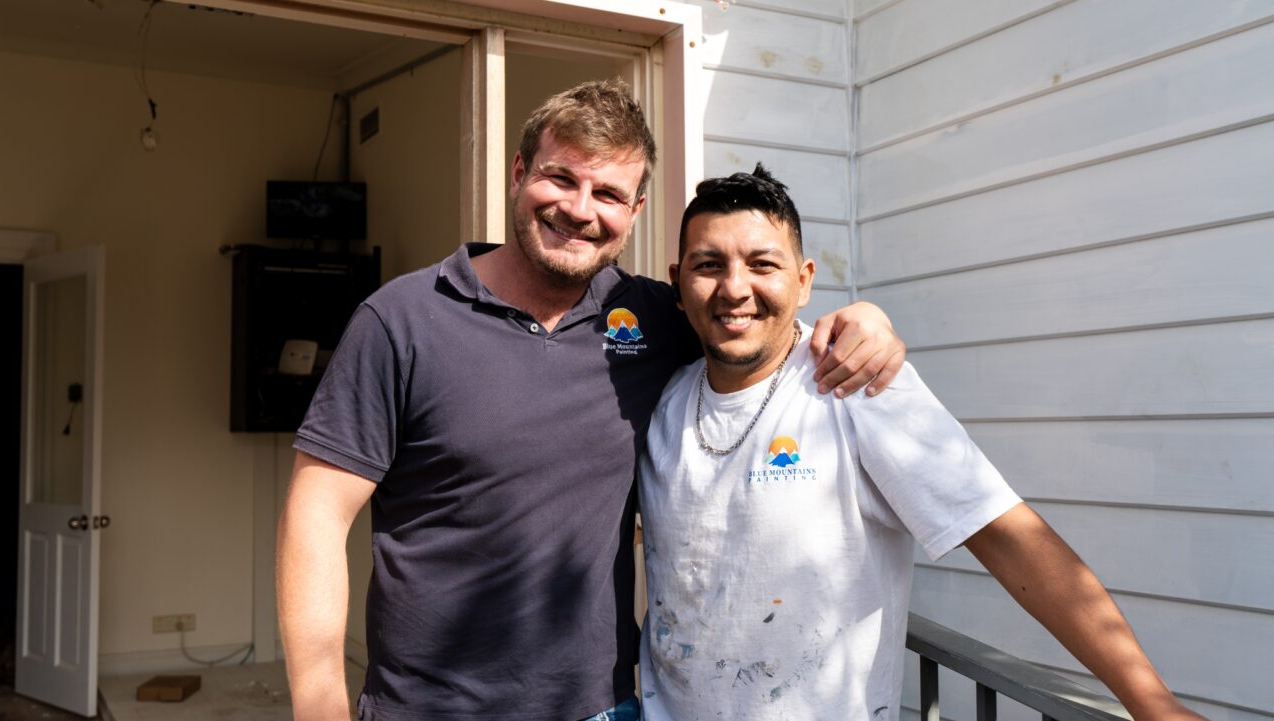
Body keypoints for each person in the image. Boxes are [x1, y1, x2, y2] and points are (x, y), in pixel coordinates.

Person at [276, 80, 907, 721]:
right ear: (520, 174)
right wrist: (319, 702)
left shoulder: (654, 320)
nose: (580, 210)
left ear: (634, 210)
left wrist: (864, 319)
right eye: (561, 179)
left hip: (601, 709)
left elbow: (755, 324)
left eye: (607, 193)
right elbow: (317, 514)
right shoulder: (402, 320)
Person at [637, 165, 1205, 721]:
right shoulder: (659, 402)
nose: (735, 288)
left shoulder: (857, 384)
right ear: (678, 284)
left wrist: (1148, 700)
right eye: (708, 265)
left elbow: (1004, 534)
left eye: (763, 264)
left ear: (804, 280)